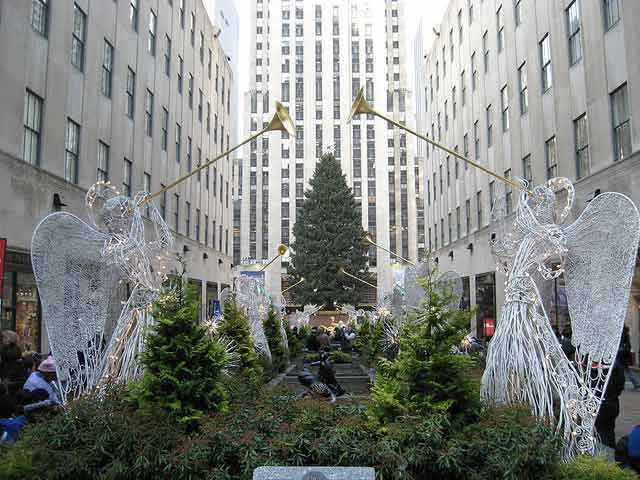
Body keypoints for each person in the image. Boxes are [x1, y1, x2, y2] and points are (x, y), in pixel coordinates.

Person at [595, 347, 626, 449]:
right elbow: (621, 385)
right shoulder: (616, 365)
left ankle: (606, 456)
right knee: (609, 430)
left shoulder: (597, 366)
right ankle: (611, 453)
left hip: (602, 403)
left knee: (602, 432)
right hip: (612, 402)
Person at [621, 325, 640, 390]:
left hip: (622, 356)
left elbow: (626, 346)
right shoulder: (625, 333)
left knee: (626, 371)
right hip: (624, 355)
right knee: (626, 371)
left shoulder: (623, 334)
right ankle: (637, 384)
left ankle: (637, 384)